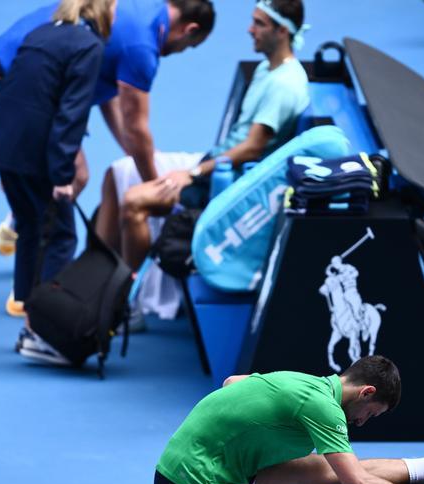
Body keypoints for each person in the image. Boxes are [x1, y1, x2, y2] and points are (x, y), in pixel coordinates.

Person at [0, 0, 216, 318]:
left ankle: (20, 226)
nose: (181, 50)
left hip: (23, 59)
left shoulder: (133, 21)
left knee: (52, 178)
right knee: (63, 185)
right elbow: (134, 126)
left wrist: (134, 156)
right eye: (190, 46)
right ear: (190, 30)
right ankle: (34, 289)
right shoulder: (141, 48)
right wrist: (153, 185)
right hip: (18, 71)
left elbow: (108, 99)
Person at [96, 0, 310, 320]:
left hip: (230, 179)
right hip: (217, 162)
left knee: (135, 201)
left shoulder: (285, 84)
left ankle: (128, 303)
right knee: (117, 172)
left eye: (259, 24)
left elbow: (252, 148)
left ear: (282, 31)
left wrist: (193, 173)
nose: (250, 29)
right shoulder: (269, 68)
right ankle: (97, 279)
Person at [0, 0, 116, 346]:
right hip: (37, 153)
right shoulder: (88, 47)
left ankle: (25, 302)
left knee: (29, 226)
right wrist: (61, 175)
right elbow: (70, 114)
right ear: (102, 10)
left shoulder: (39, 33)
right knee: (61, 236)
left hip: (2, 146)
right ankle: (43, 329)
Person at [155, 356, 424, 484]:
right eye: (371, 413)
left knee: (327, 470)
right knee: (342, 475)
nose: (362, 422)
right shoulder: (324, 409)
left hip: (173, 472)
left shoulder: (302, 382)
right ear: (366, 392)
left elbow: (231, 382)